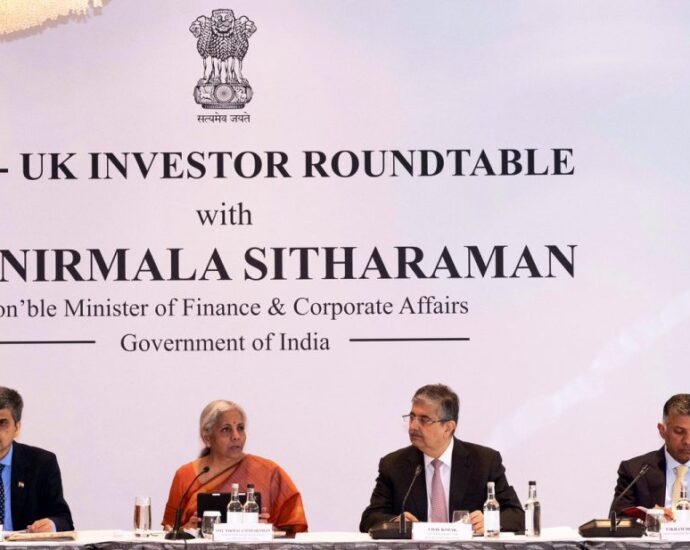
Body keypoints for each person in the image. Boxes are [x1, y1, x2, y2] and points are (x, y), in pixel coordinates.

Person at [359, 384, 524, 534]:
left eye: (424, 420)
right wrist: (396, 523)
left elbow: (517, 515)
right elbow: (370, 518)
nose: (413, 426)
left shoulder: (485, 462)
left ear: (448, 428)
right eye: (412, 417)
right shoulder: (393, 465)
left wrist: (490, 522)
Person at [163, 400, 307, 534]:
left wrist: (266, 529)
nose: (236, 436)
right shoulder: (185, 475)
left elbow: (294, 529)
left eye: (240, 428)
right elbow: (168, 531)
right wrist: (187, 530)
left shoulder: (269, 472)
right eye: (226, 429)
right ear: (207, 438)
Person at [0, 386, 73, 532]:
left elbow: (64, 521)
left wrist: (51, 525)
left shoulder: (42, 464)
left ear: (17, 428)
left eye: (2, 423)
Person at [611, 394, 690, 519]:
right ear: (662, 430)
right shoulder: (635, 471)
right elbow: (617, 520)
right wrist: (649, 518)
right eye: (679, 431)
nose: (687, 441)